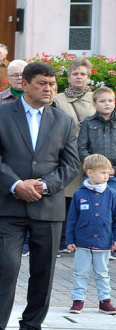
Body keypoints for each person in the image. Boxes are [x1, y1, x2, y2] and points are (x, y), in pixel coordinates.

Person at [0, 61, 79, 330]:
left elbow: (70, 164)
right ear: (25, 85)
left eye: (52, 85)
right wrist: (16, 184)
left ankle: (31, 327)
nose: (48, 89)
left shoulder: (64, 121)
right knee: (6, 266)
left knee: (44, 270)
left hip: (48, 208)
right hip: (8, 205)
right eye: (42, 84)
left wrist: (43, 186)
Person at [65, 154, 116, 315]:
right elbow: (72, 218)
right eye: (103, 173)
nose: (106, 176)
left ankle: (104, 301)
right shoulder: (79, 194)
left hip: (103, 241)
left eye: (108, 173)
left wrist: (114, 239)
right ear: (90, 172)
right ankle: (78, 300)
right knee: (80, 272)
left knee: (102, 273)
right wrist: (70, 239)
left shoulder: (111, 194)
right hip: (82, 241)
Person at [56, 57, 97, 249]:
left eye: (82, 74)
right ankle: (64, 240)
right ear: (69, 76)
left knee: (89, 199)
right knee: (67, 197)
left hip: (90, 156)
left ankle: (86, 240)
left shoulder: (96, 99)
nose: (79, 77)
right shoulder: (58, 100)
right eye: (75, 74)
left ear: (88, 77)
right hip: (67, 153)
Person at [77, 87, 116, 191]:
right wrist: (95, 168)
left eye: (110, 100)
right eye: (102, 101)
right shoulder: (88, 123)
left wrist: (114, 170)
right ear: (95, 105)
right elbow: (82, 148)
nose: (107, 103)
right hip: (94, 176)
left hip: (114, 175)